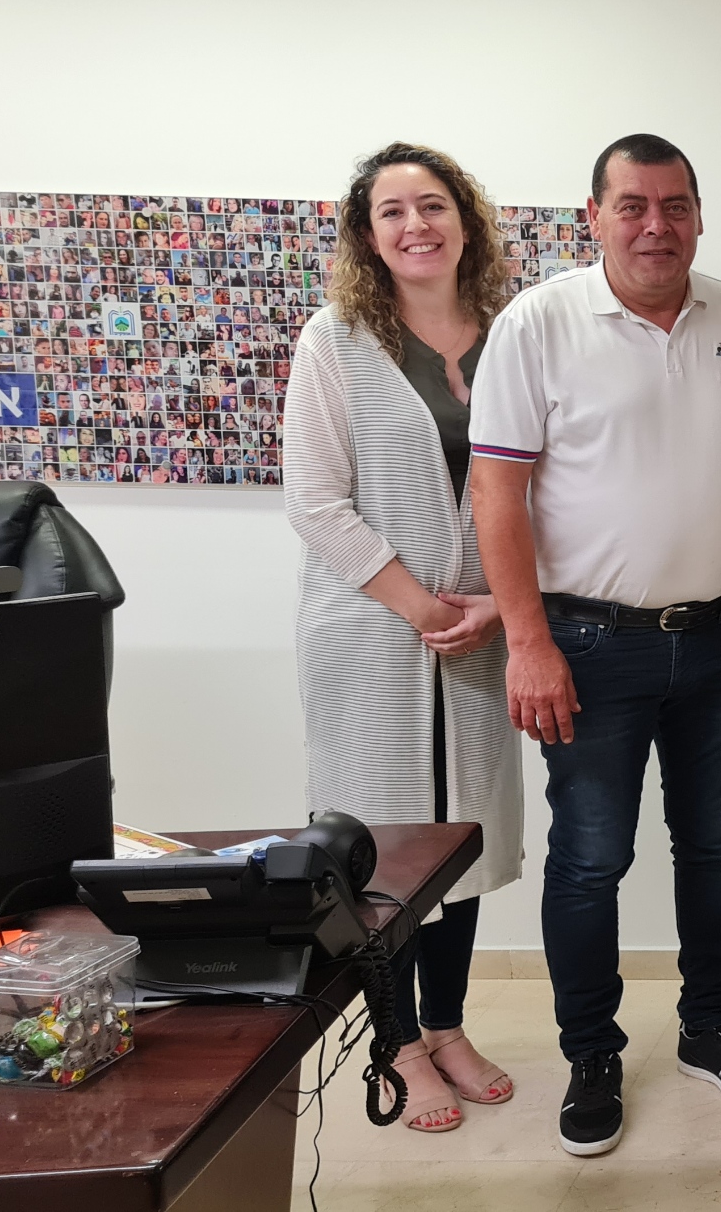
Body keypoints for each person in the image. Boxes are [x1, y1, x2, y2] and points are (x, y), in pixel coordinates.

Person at [467, 134, 721, 1158]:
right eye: (634, 206)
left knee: (713, 844)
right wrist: (527, 642)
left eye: (676, 205)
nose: (657, 225)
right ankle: (592, 1055)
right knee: (590, 859)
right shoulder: (538, 323)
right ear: (595, 216)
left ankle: (709, 1027)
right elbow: (497, 494)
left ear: (698, 214)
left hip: (718, 637)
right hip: (585, 646)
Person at [283, 141, 521, 1134]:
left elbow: (541, 485)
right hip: (372, 634)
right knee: (382, 850)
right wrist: (420, 606)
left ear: (465, 222)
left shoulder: (512, 335)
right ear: (367, 235)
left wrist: (497, 605)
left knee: (461, 836)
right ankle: (399, 1044)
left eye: (433, 205)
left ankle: (449, 1025)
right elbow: (314, 501)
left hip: (482, 629)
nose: (416, 224)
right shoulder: (335, 341)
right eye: (393, 211)